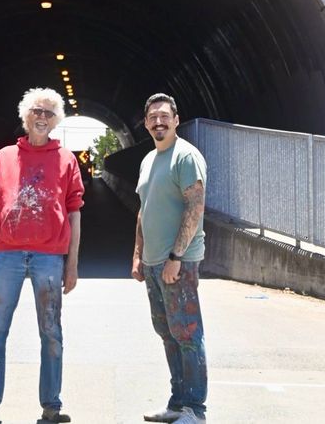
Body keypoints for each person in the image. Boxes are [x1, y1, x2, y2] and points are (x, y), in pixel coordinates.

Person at [0, 87, 84, 424]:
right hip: (8, 257)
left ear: (57, 119)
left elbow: (74, 213)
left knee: (51, 331)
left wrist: (72, 264)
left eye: (49, 113)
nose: (42, 117)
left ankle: (52, 407)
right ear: (25, 116)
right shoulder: (4, 157)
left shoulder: (66, 160)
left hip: (50, 258)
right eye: (37, 111)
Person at [131, 93, 208, 424]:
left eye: (165, 116)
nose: (158, 121)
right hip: (152, 263)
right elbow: (143, 210)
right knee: (167, 332)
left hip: (178, 261)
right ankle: (177, 403)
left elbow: (195, 205)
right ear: (146, 123)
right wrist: (137, 255)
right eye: (153, 117)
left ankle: (194, 409)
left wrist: (176, 256)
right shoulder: (149, 160)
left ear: (177, 120)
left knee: (188, 334)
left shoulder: (185, 157)